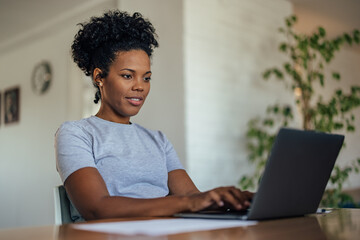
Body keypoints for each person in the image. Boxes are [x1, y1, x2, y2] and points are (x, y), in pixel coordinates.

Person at [55, 10, 253, 222]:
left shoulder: (158, 140)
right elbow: (97, 208)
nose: (140, 86)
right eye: (127, 76)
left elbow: (191, 196)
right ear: (99, 77)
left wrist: (236, 200)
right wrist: (189, 204)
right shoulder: (75, 134)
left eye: (146, 78)